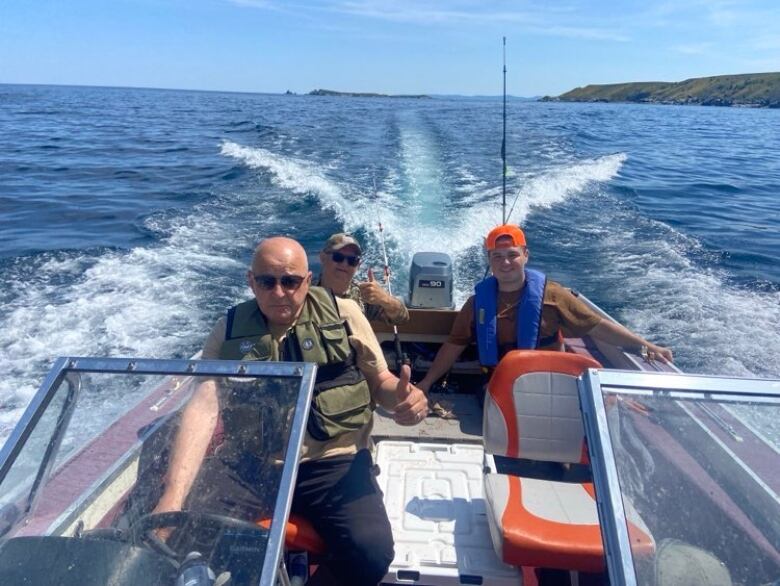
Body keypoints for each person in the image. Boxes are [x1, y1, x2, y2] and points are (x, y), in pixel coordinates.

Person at [153, 236, 429, 586]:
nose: (279, 292)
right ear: (251, 281)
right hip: (251, 464)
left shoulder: (344, 315)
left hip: (332, 462)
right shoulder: (230, 329)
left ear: (308, 281)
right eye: (267, 281)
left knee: (370, 551)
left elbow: (380, 381)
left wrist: (405, 400)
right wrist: (172, 496)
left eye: (290, 281)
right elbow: (204, 404)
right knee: (178, 533)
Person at [417, 224, 673, 393]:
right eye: (497, 256)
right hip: (501, 383)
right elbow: (454, 345)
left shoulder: (554, 296)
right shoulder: (477, 304)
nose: (505, 262)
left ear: (526, 255)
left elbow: (598, 327)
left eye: (512, 255)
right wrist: (427, 383)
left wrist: (647, 347)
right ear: (489, 261)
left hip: (553, 381)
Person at [317, 233, 410, 325]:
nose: (345, 263)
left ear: (358, 266)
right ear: (322, 257)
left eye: (352, 260)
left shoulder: (364, 295)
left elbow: (403, 318)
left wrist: (385, 299)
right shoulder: (306, 292)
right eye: (338, 257)